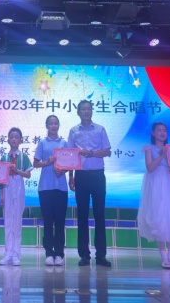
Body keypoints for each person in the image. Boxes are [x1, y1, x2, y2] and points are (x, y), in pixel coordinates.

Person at [137, 122, 170, 269]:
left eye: (164, 130)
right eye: (158, 130)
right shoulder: (149, 148)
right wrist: (162, 155)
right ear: (153, 133)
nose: (162, 133)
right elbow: (150, 167)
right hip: (156, 186)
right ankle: (164, 257)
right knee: (159, 219)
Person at [67, 99, 112, 267]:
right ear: (78, 112)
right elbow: (70, 156)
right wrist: (71, 177)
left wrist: (91, 153)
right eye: (83, 109)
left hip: (98, 176)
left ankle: (101, 255)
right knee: (82, 215)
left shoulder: (100, 129)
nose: (86, 111)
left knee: (100, 215)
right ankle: (84, 255)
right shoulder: (73, 131)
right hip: (81, 176)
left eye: (89, 109)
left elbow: (107, 151)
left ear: (92, 111)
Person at [33, 115, 68, 267]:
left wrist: (63, 171)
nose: (53, 126)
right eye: (51, 123)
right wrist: (47, 162)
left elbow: (70, 164)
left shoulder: (64, 143)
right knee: (48, 221)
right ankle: (49, 253)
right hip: (45, 187)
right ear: (47, 126)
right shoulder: (42, 143)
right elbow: (35, 163)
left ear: (58, 125)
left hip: (61, 187)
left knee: (60, 221)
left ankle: (59, 253)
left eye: (55, 123)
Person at [0, 127, 33, 266]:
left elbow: (28, 175)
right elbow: (1, 177)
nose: (13, 139)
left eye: (16, 137)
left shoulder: (24, 157)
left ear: (20, 140)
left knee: (17, 221)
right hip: (7, 187)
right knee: (7, 220)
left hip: (18, 186)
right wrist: (1, 194)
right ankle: (8, 253)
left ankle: (16, 254)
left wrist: (16, 170)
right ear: (7, 140)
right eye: (11, 137)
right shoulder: (4, 157)